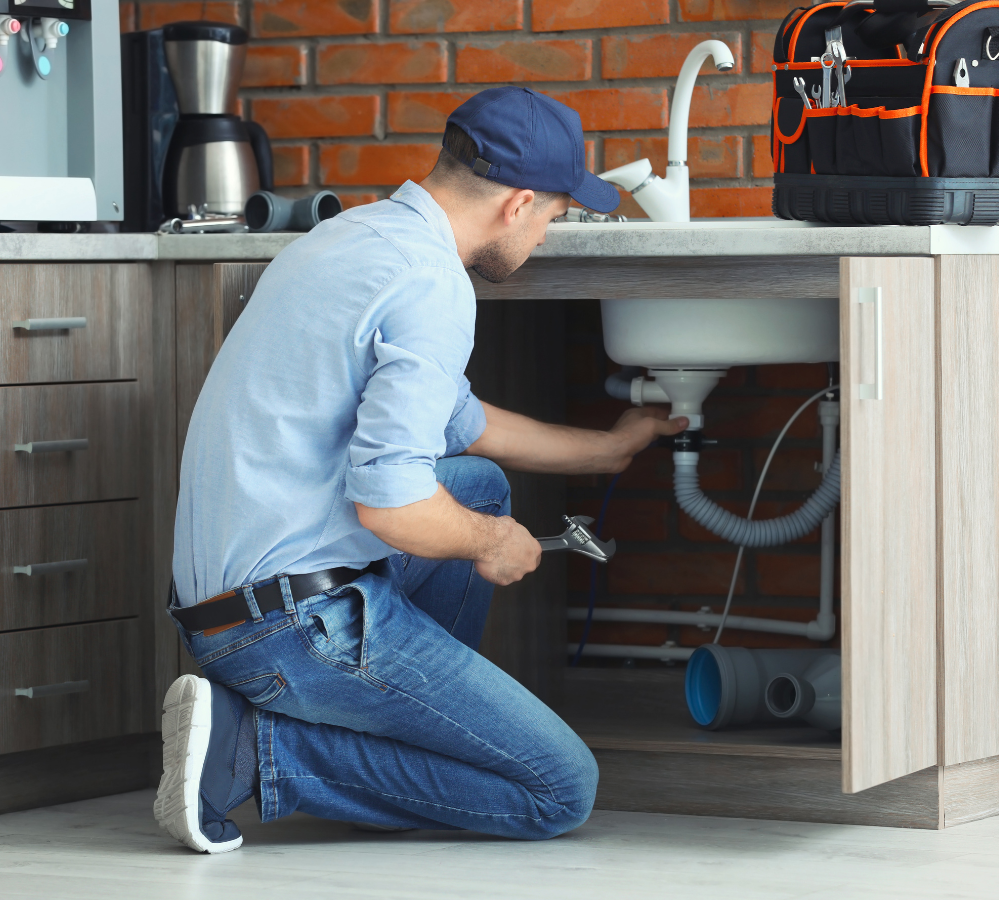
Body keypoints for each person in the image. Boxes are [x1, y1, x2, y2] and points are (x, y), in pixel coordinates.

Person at [155, 86, 688, 853]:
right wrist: (490, 543)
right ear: (519, 204)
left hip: (223, 606)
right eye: (554, 216)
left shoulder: (358, 237)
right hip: (289, 629)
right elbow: (393, 508)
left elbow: (462, 424)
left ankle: (401, 729)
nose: (546, 235)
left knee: (477, 484)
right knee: (559, 789)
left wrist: (606, 449)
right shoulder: (434, 286)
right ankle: (249, 751)